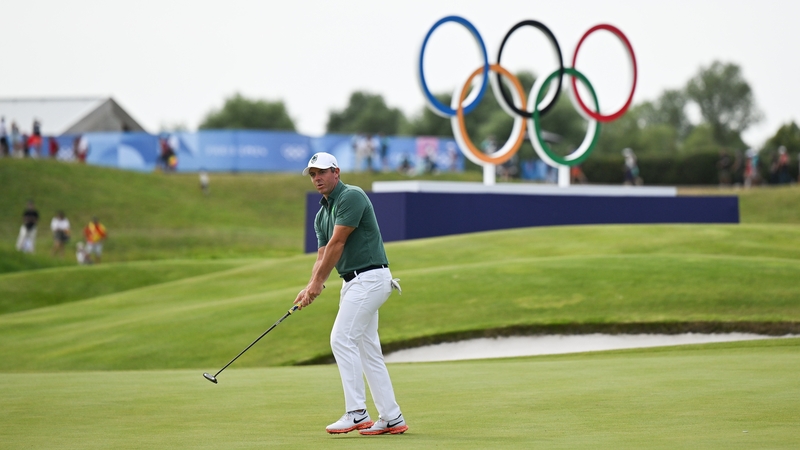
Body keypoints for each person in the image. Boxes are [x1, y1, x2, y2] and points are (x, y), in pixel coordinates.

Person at [294, 152, 408, 436]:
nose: (317, 178)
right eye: (312, 174)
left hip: (370, 278)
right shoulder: (322, 214)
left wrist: (318, 283)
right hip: (353, 283)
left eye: (321, 172)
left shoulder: (351, 196)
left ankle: (357, 412)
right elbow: (322, 254)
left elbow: (338, 243)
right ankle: (392, 417)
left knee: (341, 339)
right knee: (367, 350)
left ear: (336, 172)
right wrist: (310, 285)